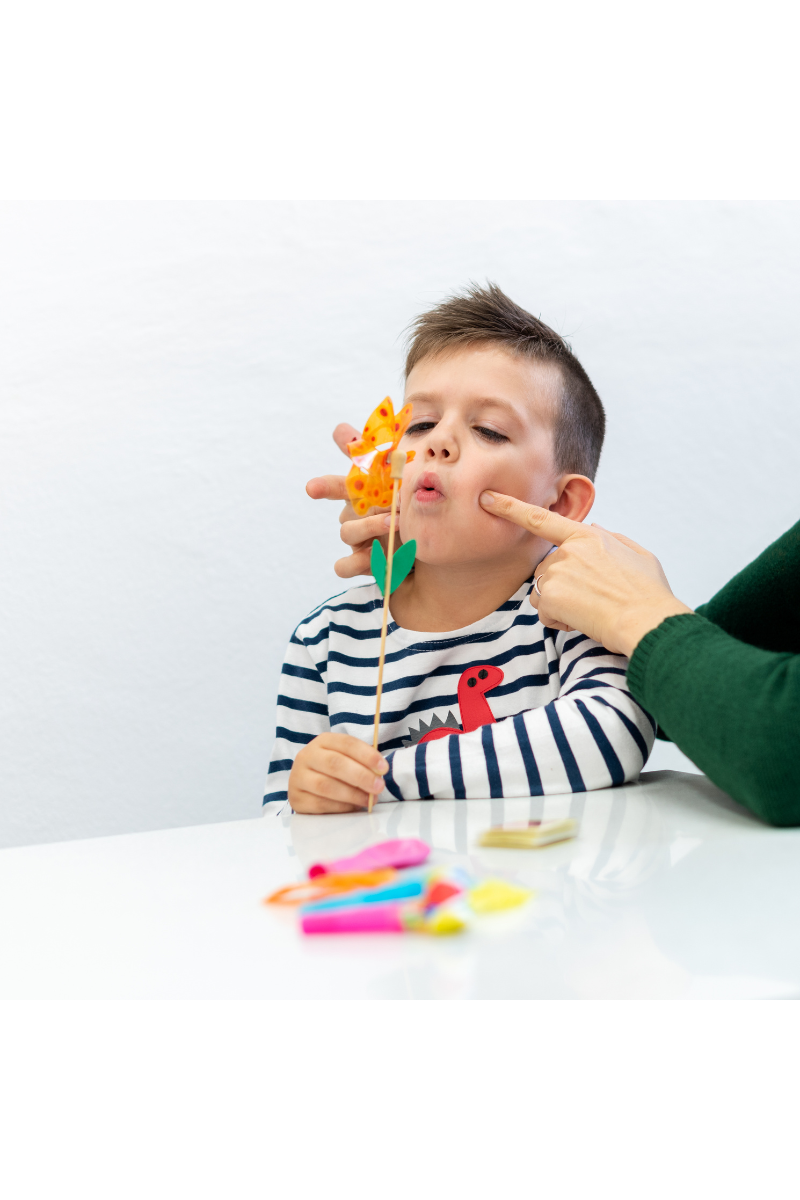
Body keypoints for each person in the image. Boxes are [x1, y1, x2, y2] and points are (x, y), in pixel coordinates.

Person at [266, 284, 655, 813]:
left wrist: (379, 782)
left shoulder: (578, 611)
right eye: (419, 424)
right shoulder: (324, 642)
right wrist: (306, 796)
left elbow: (611, 734)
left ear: (562, 502)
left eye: (489, 430)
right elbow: (278, 825)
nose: (436, 442)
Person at [471, 495, 800, 827]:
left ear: (562, 502)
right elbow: (695, 692)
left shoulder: (565, 633)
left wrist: (637, 614)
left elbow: (780, 752)